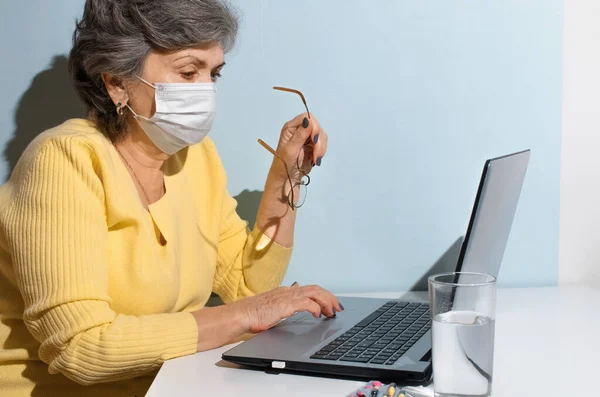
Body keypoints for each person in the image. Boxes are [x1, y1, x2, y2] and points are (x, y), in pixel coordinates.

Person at [0, 1, 341, 395]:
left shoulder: (196, 158)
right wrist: (247, 314)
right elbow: (80, 346)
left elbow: (248, 289)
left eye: (213, 74)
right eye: (188, 71)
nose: (206, 90)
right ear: (116, 83)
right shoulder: (64, 160)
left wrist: (288, 174)